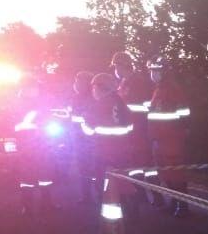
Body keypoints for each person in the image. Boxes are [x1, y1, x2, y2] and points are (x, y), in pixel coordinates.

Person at [82, 73, 134, 223]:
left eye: (94, 87)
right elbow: (130, 126)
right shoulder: (121, 102)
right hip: (122, 150)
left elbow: (90, 130)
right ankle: (130, 214)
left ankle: (111, 223)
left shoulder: (99, 105)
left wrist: (84, 122)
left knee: (105, 187)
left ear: (101, 88)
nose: (93, 91)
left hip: (104, 152)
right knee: (123, 183)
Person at [146, 57, 192, 217]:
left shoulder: (172, 89)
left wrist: (182, 131)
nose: (153, 74)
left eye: (156, 70)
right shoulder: (158, 89)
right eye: (152, 70)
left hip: (172, 138)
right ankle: (174, 202)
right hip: (160, 138)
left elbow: (184, 113)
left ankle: (182, 205)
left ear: (164, 72)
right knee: (166, 173)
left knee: (176, 173)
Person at [111, 51, 153, 215]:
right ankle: (140, 195)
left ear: (123, 65)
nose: (115, 69)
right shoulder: (123, 82)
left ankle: (153, 197)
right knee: (134, 166)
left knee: (142, 165)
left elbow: (143, 107)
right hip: (129, 132)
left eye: (116, 66)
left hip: (139, 131)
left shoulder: (137, 82)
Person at [13, 75, 59, 215]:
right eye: (34, 87)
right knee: (27, 178)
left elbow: (48, 118)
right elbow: (12, 125)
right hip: (26, 146)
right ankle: (27, 207)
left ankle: (47, 204)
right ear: (25, 88)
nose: (36, 90)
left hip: (42, 144)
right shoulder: (17, 104)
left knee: (45, 176)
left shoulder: (40, 102)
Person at [69, 70, 96, 204]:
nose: (76, 84)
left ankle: (96, 195)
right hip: (79, 139)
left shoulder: (92, 97)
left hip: (90, 140)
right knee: (83, 168)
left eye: (79, 81)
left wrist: (73, 117)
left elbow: (87, 117)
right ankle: (86, 196)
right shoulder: (77, 97)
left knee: (93, 168)